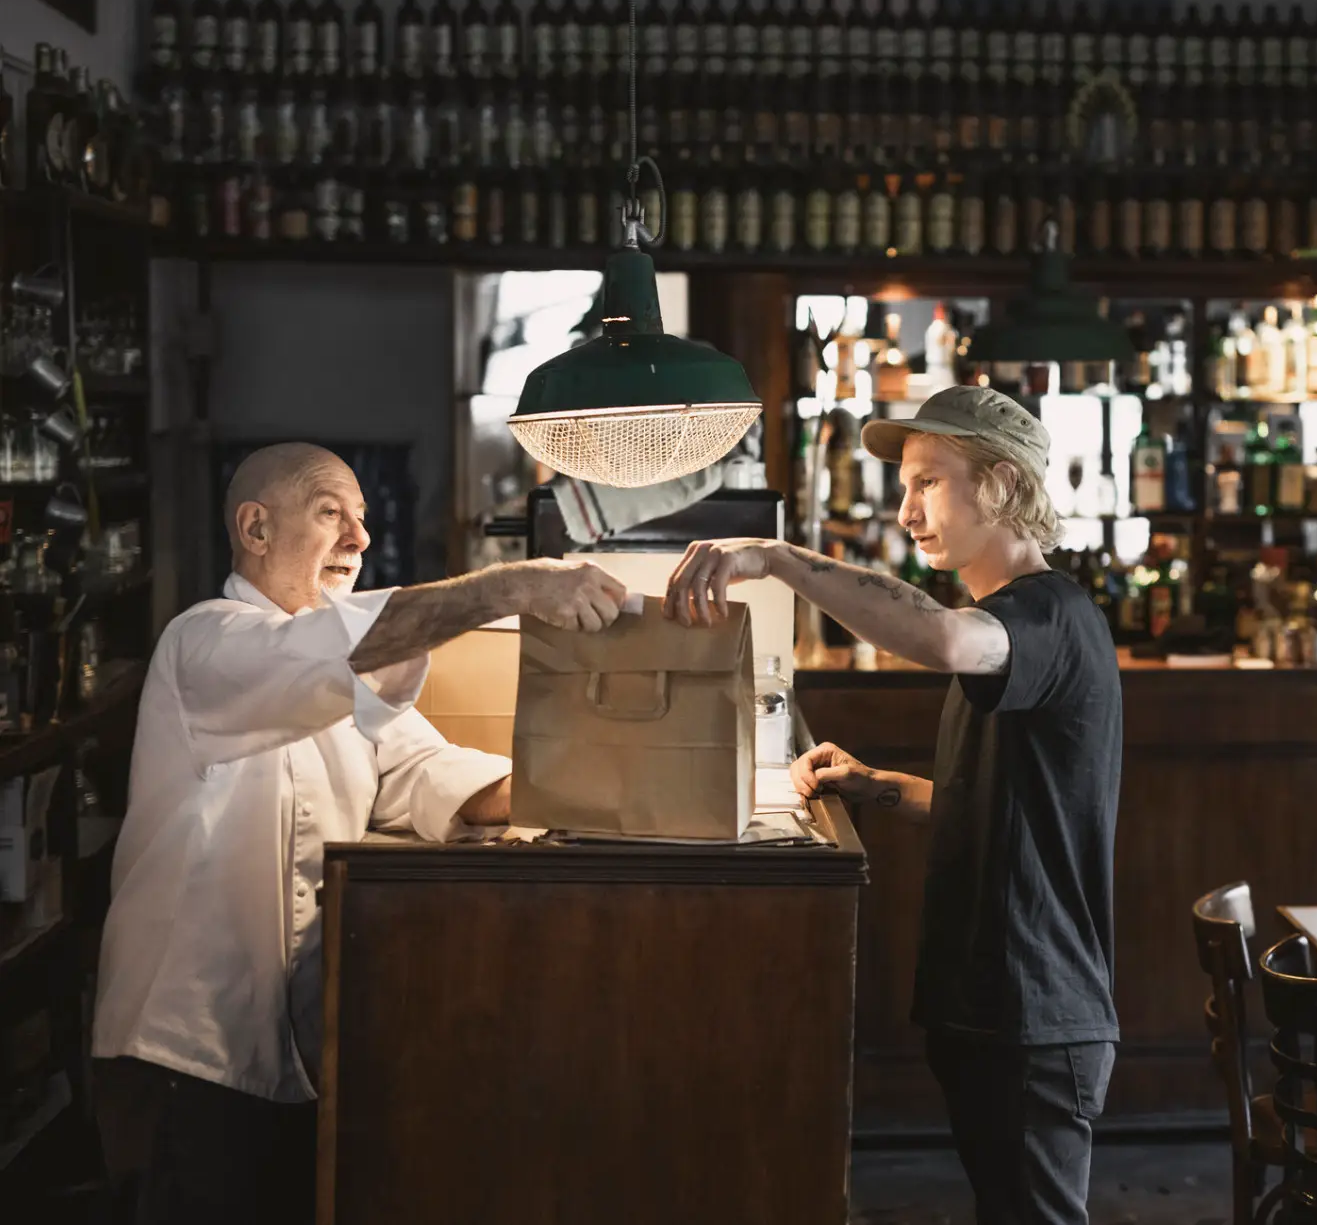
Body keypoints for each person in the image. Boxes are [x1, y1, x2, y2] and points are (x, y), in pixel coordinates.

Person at [93, 443, 627, 1223]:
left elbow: (426, 771)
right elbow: (327, 653)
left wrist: (611, 786)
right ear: (256, 528)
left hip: (294, 1050)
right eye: (330, 513)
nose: (360, 539)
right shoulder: (203, 642)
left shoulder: (346, 673)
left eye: (363, 519)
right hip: (183, 1051)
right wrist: (514, 583)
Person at [665, 386, 1122, 1224]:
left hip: (1034, 1008)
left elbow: (943, 640)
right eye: (904, 485)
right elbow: (1005, 804)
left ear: (1003, 484)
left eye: (929, 482)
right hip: (996, 1003)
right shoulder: (1010, 620)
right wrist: (879, 786)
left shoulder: (1046, 614)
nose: (906, 509)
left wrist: (776, 558)